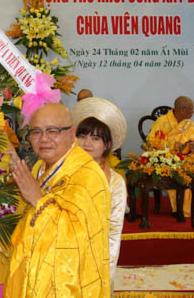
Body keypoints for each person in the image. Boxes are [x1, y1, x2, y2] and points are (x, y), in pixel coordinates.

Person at [5, 103, 111, 298]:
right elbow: (28, 215)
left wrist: (38, 200)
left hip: (66, 283)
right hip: (36, 270)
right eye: (36, 132)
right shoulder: (40, 167)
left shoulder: (88, 175)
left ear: (71, 134)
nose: (44, 139)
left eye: (53, 131)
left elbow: (80, 240)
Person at [72, 97, 128, 296]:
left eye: (95, 138)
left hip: (96, 260)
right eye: (82, 136)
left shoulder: (115, 183)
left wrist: (105, 274)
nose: (87, 143)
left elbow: (114, 232)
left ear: (107, 144)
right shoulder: (63, 172)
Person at [148, 96, 194, 218]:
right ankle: (181, 209)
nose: (193, 112)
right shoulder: (162, 122)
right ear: (182, 109)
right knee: (182, 175)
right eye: (191, 109)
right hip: (171, 162)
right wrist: (172, 146)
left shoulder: (190, 124)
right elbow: (151, 142)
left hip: (191, 160)